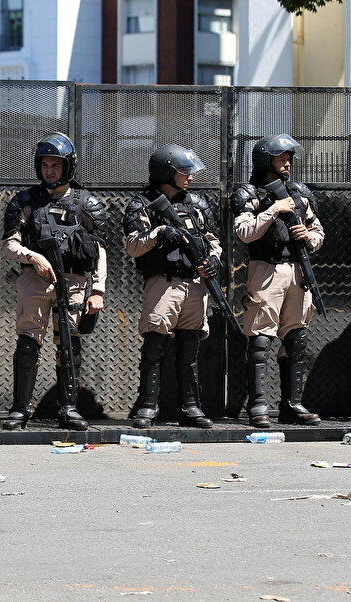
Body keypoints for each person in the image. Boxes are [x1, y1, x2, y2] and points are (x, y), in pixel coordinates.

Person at [0, 132, 107, 431]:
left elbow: (99, 249)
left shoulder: (86, 203)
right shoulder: (26, 201)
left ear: (68, 166)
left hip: (73, 281)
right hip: (34, 280)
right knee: (27, 344)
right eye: (45, 165)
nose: (49, 171)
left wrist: (97, 290)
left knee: (69, 345)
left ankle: (68, 409)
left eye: (55, 165)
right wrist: (32, 256)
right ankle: (20, 410)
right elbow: (8, 244)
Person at [122, 144, 220, 429]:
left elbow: (213, 241)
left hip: (195, 284)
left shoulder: (197, 204)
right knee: (155, 344)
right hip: (163, 284)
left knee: (190, 347)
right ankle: (147, 407)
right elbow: (133, 246)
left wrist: (214, 261)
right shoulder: (143, 204)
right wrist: (160, 232)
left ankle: (191, 407)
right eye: (184, 172)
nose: (190, 177)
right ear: (166, 173)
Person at [232, 134, 323, 427]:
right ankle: (258, 407)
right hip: (266, 270)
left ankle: (292, 405)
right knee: (260, 339)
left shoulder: (299, 194)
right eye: (281, 158)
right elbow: (244, 232)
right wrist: (273, 210)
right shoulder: (250, 194)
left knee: (296, 339)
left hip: (298, 269)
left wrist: (308, 237)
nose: (287, 163)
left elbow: (318, 231)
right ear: (264, 160)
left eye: (289, 158)